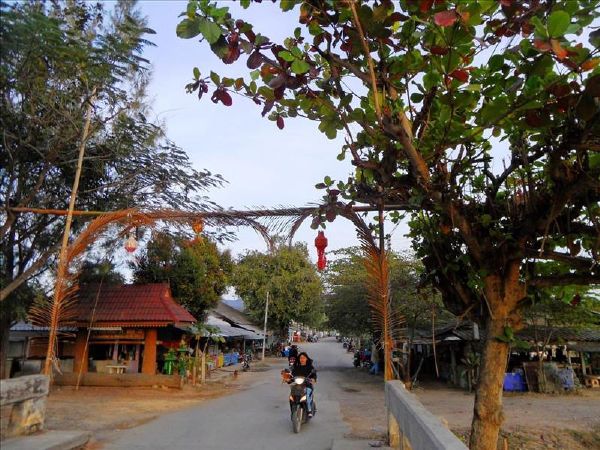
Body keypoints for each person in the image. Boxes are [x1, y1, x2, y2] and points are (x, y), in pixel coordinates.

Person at [291, 352, 317, 417]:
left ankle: (309, 410)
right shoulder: (296, 367)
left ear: (306, 359)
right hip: (297, 385)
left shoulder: (310, 367)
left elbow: (314, 375)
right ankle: (292, 410)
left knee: (307, 394)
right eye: (300, 358)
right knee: (291, 397)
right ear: (299, 359)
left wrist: (313, 379)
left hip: (307, 385)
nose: (302, 359)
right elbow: (292, 375)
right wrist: (288, 378)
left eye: (303, 358)